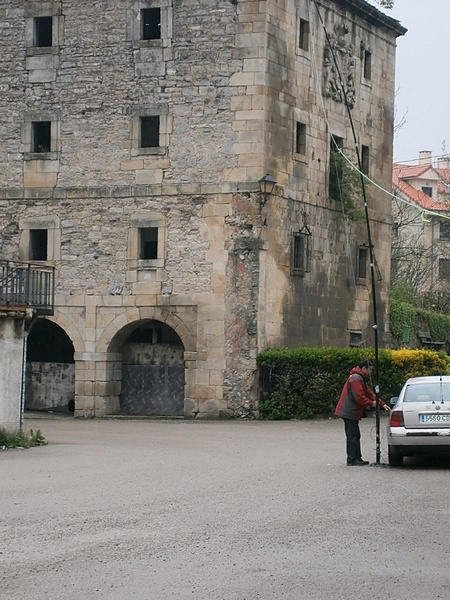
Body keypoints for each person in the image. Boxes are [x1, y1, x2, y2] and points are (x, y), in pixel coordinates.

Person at [335, 360, 390, 466]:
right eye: (370, 369)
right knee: (353, 435)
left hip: (350, 411)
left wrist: (381, 404)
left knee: (355, 434)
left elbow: (369, 393)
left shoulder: (359, 378)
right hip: (349, 411)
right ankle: (352, 459)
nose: (370, 372)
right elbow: (359, 397)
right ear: (364, 368)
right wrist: (372, 404)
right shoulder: (356, 378)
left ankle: (356, 458)